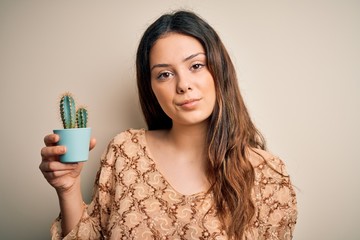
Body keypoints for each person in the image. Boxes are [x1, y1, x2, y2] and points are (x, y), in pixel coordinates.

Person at [40, 10, 297, 240]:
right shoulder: (125, 152)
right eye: (165, 74)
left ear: (220, 71)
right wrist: (68, 188)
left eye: (196, 66)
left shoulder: (268, 174)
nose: (183, 84)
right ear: (151, 88)